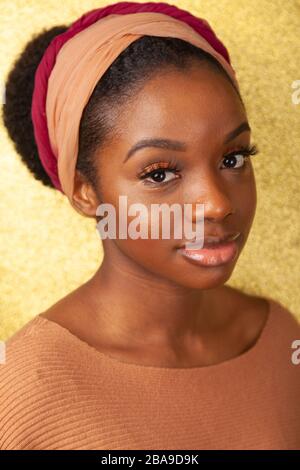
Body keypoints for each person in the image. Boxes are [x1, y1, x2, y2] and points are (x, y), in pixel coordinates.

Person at [0, 1, 299, 450]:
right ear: (85, 191)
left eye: (232, 158)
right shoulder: (24, 392)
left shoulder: (280, 338)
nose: (217, 205)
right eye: (159, 173)